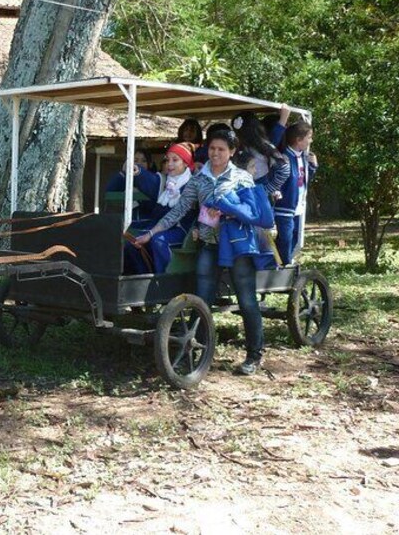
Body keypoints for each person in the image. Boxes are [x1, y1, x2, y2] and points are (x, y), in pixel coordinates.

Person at [136, 130, 268, 375]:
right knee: (202, 301)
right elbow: (178, 210)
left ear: (231, 152)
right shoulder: (199, 179)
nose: (215, 153)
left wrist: (228, 211)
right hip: (210, 246)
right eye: (212, 149)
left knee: (247, 300)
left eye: (221, 149)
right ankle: (198, 351)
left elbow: (253, 212)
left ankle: (254, 354)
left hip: (238, 247)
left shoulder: (242, 178)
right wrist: (151, 234)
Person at [124, 142, 197, 274]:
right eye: (167, 160)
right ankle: (145, 278)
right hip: (159, 227)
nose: (170, 164)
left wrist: (150, 233)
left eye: (175, 160)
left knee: (159, 241)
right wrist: (138, 172)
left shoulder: (191, 185)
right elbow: (150, 181)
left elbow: (176, 215)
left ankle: (163, 279)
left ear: (186, 163)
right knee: (131, 243)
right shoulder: (166, 182)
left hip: (181, 230)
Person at [274, 121, 317, 265]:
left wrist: (313, 166)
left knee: (295, 237)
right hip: (284, 207)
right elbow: (276, 179)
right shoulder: (284, 157)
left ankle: (285, 264)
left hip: (298, 206)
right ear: (299, 140)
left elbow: (303, 179)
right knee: (285, 238)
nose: (311, 140)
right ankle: (284, 266)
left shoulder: (303, 157)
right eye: (309, 137)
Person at [231, 111, 290, 199]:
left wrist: (266, 190)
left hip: (260, 186)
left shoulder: (263, 145)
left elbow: (284, 169)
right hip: (244, 190)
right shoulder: (240, 147)